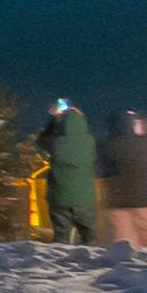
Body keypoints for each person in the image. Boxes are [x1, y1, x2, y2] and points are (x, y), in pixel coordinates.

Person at [95, 107, 147, 248]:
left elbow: (100, 164)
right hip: (144, 198)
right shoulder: (144, 143)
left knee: (124, 242)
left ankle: (128, 268)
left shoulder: (107, 144)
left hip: (117, 199)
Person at [43, 100, 100, 242]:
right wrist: (78, 116)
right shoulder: (89, 141)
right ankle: (92, 263)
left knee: (61, 238)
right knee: (89, 237)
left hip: (59, 198)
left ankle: (62, 262)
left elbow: (41, 141)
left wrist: (54, 119)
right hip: (84, 199)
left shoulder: (55, 141)